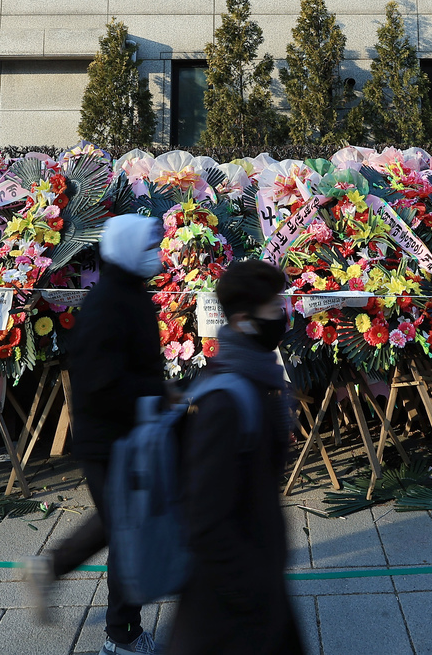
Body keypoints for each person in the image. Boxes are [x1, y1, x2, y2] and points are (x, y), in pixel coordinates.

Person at [23, 213, 166, 654]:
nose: (155, 256)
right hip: (110, 439)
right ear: (126, 252)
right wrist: (156, 399)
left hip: (121, 433)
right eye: (147, 248)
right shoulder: (110, 305)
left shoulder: (127, 294)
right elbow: (105, 382)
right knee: (128, 530)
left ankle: (48, 569)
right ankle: (122, 637)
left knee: (118, 523)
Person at [166, 258, 304, 655]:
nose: (282, 315)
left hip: (257, 579)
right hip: (229, 602)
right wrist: (249, 591)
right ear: (243, 320)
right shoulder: (228, 397)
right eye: (274, 308)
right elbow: (206, 519)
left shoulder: (258, 379)